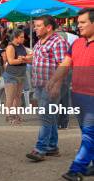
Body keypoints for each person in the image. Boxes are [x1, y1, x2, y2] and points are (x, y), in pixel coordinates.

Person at [48, 8, 94, 181]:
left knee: (89, 134)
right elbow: (65, 64)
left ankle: (76, 170)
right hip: (78, 95)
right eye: (78, 22)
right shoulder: (76, 44)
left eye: (83, 22)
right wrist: (54, 80)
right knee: (87, 133)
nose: (78, 25)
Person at [26, 15, 69, 162]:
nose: (35, 28)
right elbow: (41, 59)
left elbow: (64, 65)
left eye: (38, 26)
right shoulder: (39, 42)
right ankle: (52, 147)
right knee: (49, 116)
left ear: (48, 27)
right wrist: (28, 59)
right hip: (40, 84)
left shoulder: (58, 42)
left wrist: (56, 85)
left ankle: (40, 149)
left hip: (51, 85)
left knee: (45, 116)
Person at [3, 29, 31, 125]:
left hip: (21, 74)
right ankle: (8, 116)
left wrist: (24, 59)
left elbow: (29, 58)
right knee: (10, 97)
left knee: (18, 96)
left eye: (23, 37)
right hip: (11, 75)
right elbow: (11, 61)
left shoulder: (22, 46)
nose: (24, 39)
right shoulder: (10, 47)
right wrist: (23, 60)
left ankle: (16, 114)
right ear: (16, 38)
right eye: (22, 37)